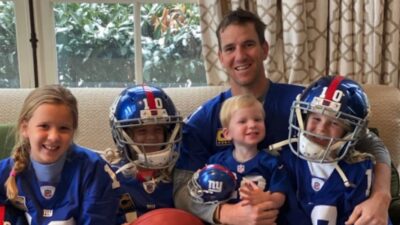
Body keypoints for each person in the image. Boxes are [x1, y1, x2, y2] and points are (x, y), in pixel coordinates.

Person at [173, 8, 391, 225]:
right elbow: (181, 188)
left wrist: (381, 196)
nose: (240, 55)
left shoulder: (305, 101)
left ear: (264, 49)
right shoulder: (206, 118)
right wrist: (225, 214)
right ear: (220, 57)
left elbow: (371, 143)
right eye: (230, 48)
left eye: (249, 44)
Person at [277, 75, 391, 224]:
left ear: (350, 132)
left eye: (334, 123)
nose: (321, 129)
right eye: (316, 119)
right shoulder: (286, 161)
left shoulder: (358, 170)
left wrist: (382, 194)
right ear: (302, 118)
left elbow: (373, 143)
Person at [0, 85, 120, 224]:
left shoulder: (93, 170)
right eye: (44, 126)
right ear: (25, 128)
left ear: (73, 131)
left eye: (63, 128)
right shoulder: (6, 172)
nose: (53, 137)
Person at [187, 94, 306, 224]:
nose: (252, 125)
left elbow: (281, 196)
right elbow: (199, 193)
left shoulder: (272, 162)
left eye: (257, 120)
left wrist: (267, 198)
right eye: (243, 121)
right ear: (227, 134)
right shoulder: (216, 162)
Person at [106, 85, 183, 224]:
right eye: (141, 130)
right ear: (124, 134)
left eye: (158, 129)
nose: (151, 137)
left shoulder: (179, 172)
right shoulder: (111, 176)